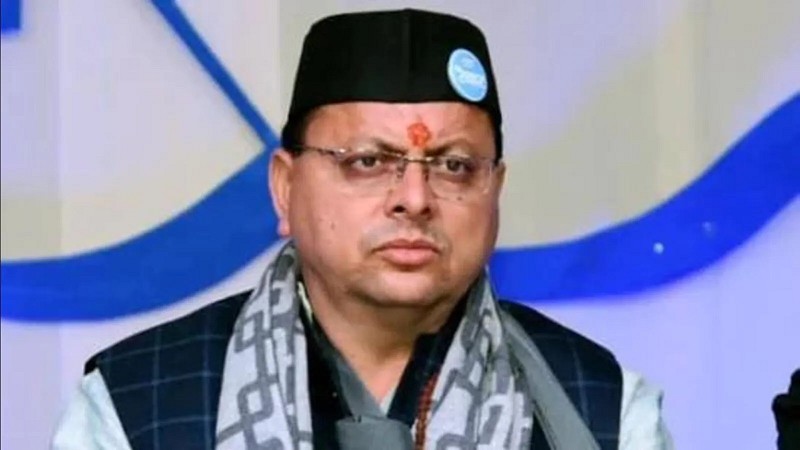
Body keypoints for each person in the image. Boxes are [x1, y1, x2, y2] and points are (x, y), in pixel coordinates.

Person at [53, 9, 672, 450]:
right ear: (285, 187)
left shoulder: (603, 410)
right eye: (368, 162)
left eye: (454, 166)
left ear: (495, 190)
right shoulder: (135, 405)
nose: (414, 199)